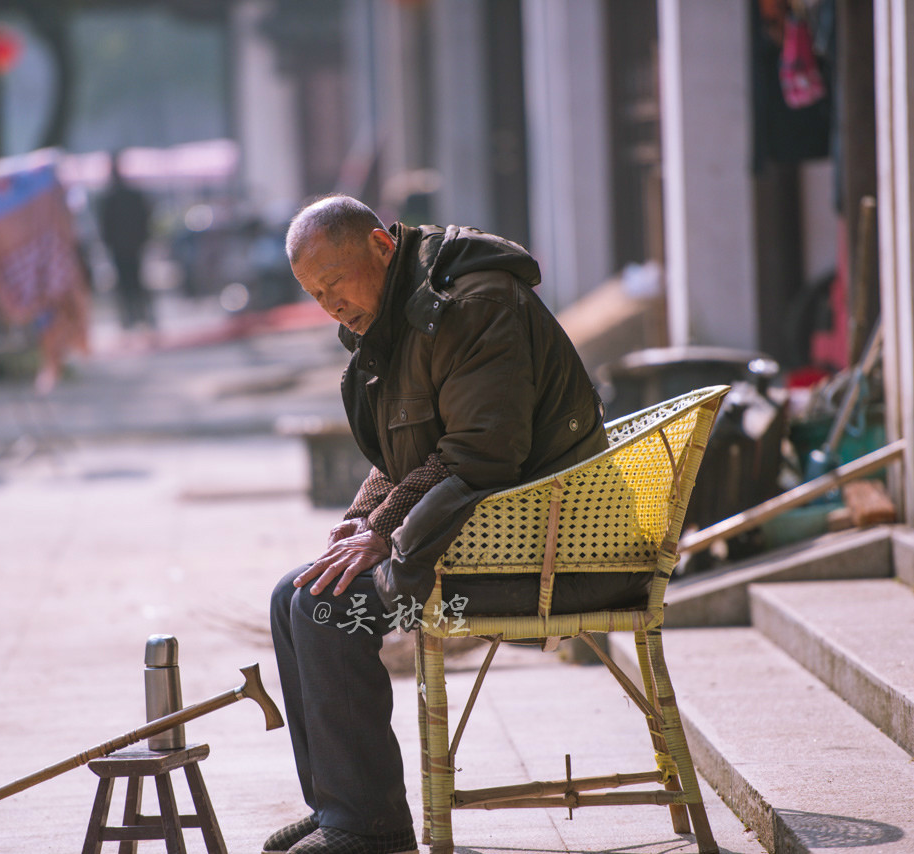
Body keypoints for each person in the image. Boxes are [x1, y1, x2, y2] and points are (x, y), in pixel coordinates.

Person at [266, 195, 652, 854]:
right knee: (294, 595)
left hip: (553, 555)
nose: (329, 306)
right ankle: (341, 803)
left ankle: (368, 830)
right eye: (315, 294)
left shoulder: (474, 305)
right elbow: (404, 457)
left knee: (325, 609)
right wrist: (360, 519)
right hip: (488, 534)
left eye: (335, 285)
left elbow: (479, 454)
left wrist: (384, 530)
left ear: (383, 248)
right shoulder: (391, 319)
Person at [97, 153, 154, 330]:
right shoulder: (118, 197)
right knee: (133, 282)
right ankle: (140, 317)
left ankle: (137, 318)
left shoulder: (112, 198)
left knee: (129, 283)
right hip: (128, 245)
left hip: (124, 246)